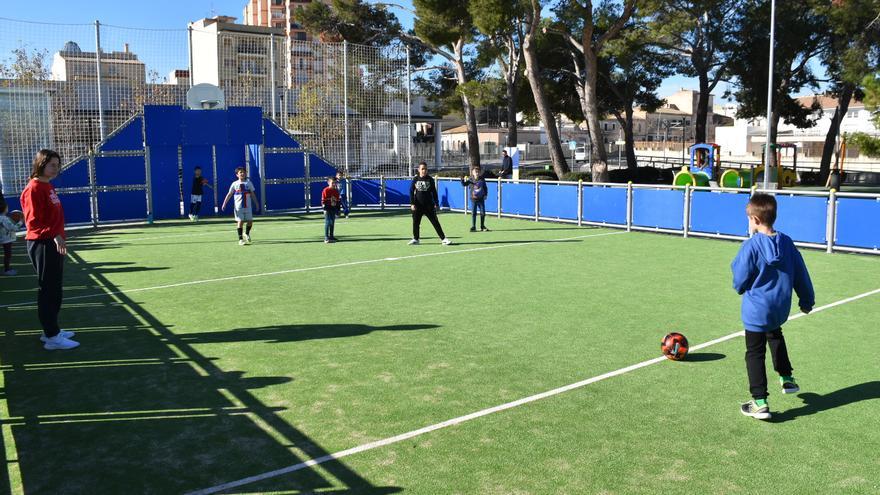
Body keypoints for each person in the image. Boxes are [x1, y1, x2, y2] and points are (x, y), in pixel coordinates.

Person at [731, 193, 814, 420]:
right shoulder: (786, 242)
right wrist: (806, 301)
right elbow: (801, 273)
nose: (748, 223)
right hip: (779, 308)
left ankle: (759, 402)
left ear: (756, 220)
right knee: (775, 334)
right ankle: (786, 378)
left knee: (754, 353)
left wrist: (740, 287)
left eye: (749, 219)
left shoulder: (751, 246)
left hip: (756, 310)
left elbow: (739, 278)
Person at [20, 149, 79, 350]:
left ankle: (51, 330)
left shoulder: (47, 186)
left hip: (53, 242)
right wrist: (54, 236)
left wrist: (58, 236)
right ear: (41, 164)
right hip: (43, 243)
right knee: (48, 290)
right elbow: (33, 222)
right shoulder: (34, 188)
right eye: (52, 164)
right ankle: (52, 337)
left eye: (58, 164)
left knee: (55, 289)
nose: (56, 168)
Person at [409, 162, 451, 246]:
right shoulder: (415, 179)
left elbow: (434, 192)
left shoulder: (430, 179)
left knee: (435, 222)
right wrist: (412, 204)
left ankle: (443, 239)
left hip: (429, 206)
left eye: (425, 169)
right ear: (419, 170)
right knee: (415, 223)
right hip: (418, 206)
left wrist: (437, 203)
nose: (424, 170)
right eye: (422, 169)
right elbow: (411, 191)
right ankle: (416, 239)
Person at [221, 167, 260, 246]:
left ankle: (247, 233)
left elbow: (253, 194)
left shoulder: (249, 183)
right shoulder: (234, 184)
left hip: (248, 206)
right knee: (240, 221)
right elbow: (229, 194)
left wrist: (257, 204)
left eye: (244, 172)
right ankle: (240, 239)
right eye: (240, 172)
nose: (242, 173)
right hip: (238, 207)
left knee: (250, 221)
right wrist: (224, 204)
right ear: (237, 175)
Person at [461, 165, 489, 232]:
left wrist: (485, 195)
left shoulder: (482, 179)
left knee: (483, 213)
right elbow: (465, 184)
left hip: (481, 199)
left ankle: (482, 226)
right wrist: (462, 181)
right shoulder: (470, 179)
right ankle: (473, 226)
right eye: (475, 172)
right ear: (472, 173)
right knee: (474, 213)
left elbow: (485, 188)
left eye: (478, 172)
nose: (477, 173)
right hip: (473, 199)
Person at [1, 201, 24, 275]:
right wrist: (21, 221)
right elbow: (13, 228)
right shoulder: (4, 218)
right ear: (4, 209)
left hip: (3, 238)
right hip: (6, 240)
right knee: (8, 254)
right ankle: (7, 270)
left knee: (7, 254)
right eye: (7, 207)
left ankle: (7, 268)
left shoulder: (4, 218)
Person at [321, 177, 340, 243]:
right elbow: (323, 201)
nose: (334, 184)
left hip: (333, 208)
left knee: (332, 222)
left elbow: (337, 201)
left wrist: (338, 210)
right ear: (328, 183)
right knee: (328, 222)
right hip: (327, 208)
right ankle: (326, 237)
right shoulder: (325, 190)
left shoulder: (336, 191)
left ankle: (331, 236)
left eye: (335, 183)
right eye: (332, 183)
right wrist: (324, 209)